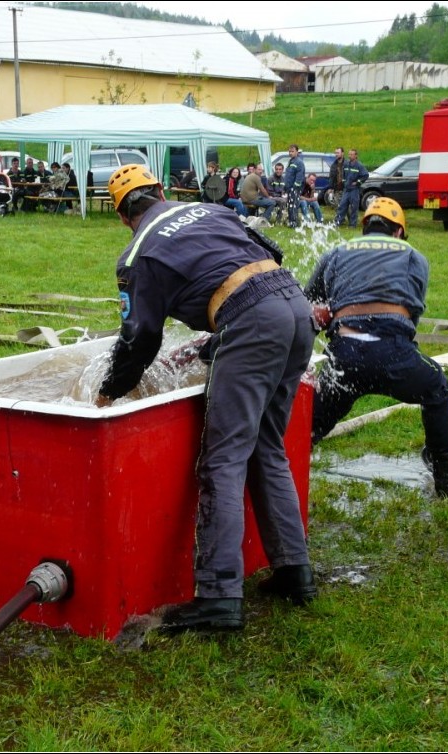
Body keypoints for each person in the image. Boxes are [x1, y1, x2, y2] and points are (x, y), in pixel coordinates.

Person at [96, 164, 318, 633]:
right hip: (294, 308)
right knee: (267, 447)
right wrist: (221, 338)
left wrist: (109, 391)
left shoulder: (137, 254)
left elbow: (139, 340)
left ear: (122, 217)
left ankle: (219, 597)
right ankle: (295, 573)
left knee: (223, 459)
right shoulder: (208, 209)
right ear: (160, 190)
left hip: (254, 319)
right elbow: (264, 260)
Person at [305, 197, 448, 498]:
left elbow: (310, 305)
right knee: (435, 387)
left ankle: (278, 468)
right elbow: (414, 307)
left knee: (310, 425)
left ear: (365, 227)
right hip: (393, 353)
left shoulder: (337, 251)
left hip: (345, 356)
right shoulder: (412, 254)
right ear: (398, 231)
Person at [334, 149, 368, 228]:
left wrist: (358, 182)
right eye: (349, 154)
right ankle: (337, 222)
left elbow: (365, 175)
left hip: (354, 190)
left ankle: (352, 224)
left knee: (353, 208)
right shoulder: (346, 164)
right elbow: (344, 174)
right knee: (342, 206)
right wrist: (343, 181)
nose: (350, 156)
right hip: (346, 189)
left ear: (356, 156)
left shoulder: (359, 165)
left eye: (352, 154)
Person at [284, 145, 306, 228]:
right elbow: (288, 176)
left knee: (293, 206)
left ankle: (294, 223)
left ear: (297, 152)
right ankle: (291, 221)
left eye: (292, 151)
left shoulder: (299, 162)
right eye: (289, 151)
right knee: (290, 205)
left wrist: (295, 187)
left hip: (295, 189)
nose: (290, 153)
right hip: (289, 188)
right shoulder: (291, 161)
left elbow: (299, 176)